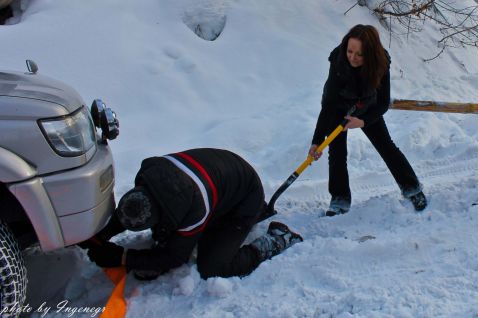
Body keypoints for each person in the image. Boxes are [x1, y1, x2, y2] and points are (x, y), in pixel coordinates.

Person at [84, 148, 302, 280]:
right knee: (163, 236)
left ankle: (276, 239)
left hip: (243, 199)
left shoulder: (195, 207)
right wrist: (102, 234)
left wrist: (123, 258)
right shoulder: (149, 174)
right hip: (222, 177)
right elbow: (130, 210)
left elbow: (176, 257)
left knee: (212, 267)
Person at [309, 24, 426, 216]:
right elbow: (329, 103)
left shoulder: (380, 64)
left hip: (367, 106)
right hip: (339, 107)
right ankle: (340, 199)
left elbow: (382, 103)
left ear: (370, 54)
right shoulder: (338, 60)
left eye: (359, 54)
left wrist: (362, 121)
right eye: (350, 51)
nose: (352, 57)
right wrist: (317, 141)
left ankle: (412, 188)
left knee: (386, 146)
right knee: (336, 153)